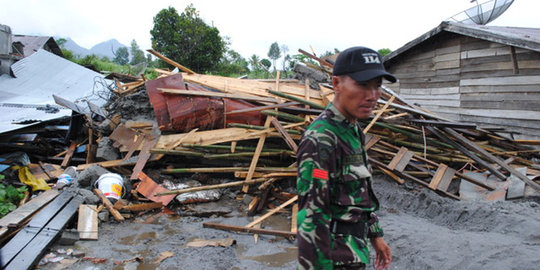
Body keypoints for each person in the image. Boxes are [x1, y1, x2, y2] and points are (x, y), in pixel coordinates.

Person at [296, 46, 396, 270]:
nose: (372, 96)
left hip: (353, 252)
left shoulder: (352, 130)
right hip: (333, 259)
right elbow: (311, 217)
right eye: (362, 85)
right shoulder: (321, 139)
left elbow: (358, 192)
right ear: (336, 84)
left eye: (377, 86)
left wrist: (375, 234)